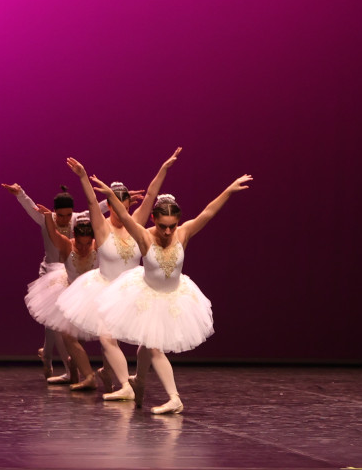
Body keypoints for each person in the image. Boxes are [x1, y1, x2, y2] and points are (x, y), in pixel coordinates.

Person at [90, 173, 251, 415]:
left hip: (175, 297)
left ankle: (151, 387)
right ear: (153, 219)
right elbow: (123, 215)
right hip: (147, 296)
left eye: (172, 226)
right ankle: (162, 392)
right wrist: (110, 196)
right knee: (152, 345)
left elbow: (208, 212)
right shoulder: (144, 236)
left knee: (150, 345)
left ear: (178, 222)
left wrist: (228, 190)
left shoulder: (183, 233)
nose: (167, 232)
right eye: (163, 226)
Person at [55, 148, 181, 401]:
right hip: (105, 289)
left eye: (124, 208)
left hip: (134, 289)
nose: (120, 213)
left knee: (147, 340)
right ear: (110, 206)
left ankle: (132, 378)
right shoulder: (101, 227)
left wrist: (164, 169)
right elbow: (92, 202)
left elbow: (151, 195)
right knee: (107, 337)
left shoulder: (135, 224)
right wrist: (83, 177)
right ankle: (125, 384)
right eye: (115, 208)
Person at [0, 181, 75, 382]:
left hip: (69, 275)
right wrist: (20, 193)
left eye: (68, 215)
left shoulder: (77, 219)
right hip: (49, 275)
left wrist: (118, 198)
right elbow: (30, 206)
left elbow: (98, 208)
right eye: (60, 215)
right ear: (54, 212)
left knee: (52, 322)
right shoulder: (46, 219)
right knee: (55, 322)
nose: (65, 219)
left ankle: (47, 355)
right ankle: (68, 368)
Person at [26, 209, 101, 389]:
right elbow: (53, 234)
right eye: (80, 244)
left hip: (91, 294)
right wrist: (47, 217)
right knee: (68, 335)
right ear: (74, 237)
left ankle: (74, 369)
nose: (83, 248)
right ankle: (88, 376)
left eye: (87, 244)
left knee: (80, 339)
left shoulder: (99, 244)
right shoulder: (67, 245)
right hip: (71, 293)